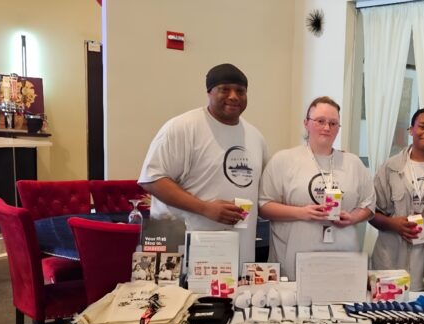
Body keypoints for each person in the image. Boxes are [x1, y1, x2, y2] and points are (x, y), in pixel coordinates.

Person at [138, 63, 268, 263]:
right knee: (177, 295)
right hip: (179, 242)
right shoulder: (182, 127)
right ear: (209, 92)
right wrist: (205, 208)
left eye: (240, 91)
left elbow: (263, 191)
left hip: (237, 248)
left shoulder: (255, 136)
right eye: (225, 89)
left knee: (233, 293)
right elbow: (152, 179)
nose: (233, 96)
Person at [259, 96, 375, 280]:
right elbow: (264, 207)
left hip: (342, 258)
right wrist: (301, 213)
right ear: (306, 123)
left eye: (333, 123)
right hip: (294, 261)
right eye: (320, 121)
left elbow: (369, 206)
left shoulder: (353, 163)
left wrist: (352, 218)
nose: (327, 128)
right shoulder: (284, 160)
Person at [370, 107, 424, 290]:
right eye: (422, 126)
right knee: (387, 314)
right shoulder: (390, 167)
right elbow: (369, 212)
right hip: (391, 260)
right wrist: (393, 224)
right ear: (411, 130)